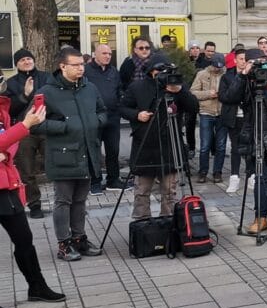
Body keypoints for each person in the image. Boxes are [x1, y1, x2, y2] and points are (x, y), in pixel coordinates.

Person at [32, 48, 108, 260]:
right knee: (63, 201)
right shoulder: (47, 92)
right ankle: (63, 243)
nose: (80, 68)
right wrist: (63, 126)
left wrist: (96, 122)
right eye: (75, 65)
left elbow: (103, 111)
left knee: (80, 200)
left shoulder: (89, 88)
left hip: (87, 152)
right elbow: (33, 125)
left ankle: (79, 238)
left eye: (82, 64)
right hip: (63, 155)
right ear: (62, 66)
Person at [0, 97, 65, 308]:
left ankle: (36, 287)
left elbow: (10, 141)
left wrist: (6, 153)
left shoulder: (2, 108)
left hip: (6, 184)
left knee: (24, 239)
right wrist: (25, 125)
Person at [220, 48, 267, 233]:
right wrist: (243, 75)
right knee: (260, 177)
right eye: (254, 62)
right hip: (255, 132)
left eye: (262, 61)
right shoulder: (245, 79)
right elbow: (229, 98)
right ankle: (260, 217)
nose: (260, 66)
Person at [121, 56, 199, 221]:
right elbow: (121, 107)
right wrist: (137, 115)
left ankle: (169, 224)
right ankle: (142, 225)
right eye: (159, 72)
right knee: (142, 191)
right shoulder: (137, 87)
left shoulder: (176, 86)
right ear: (151, 72)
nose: (163, 75)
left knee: (170, 190)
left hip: (170, 145)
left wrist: (180, 90)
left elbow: (193, 107)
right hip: (145, 144)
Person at [5, 49, 54, 218]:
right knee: (27, 170)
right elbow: (8, 111)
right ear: (16, 64)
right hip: (24, 132)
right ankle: (34, 205)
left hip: (47, 128)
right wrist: (25, 95)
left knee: (56, 165)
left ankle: (63, 201)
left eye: (29, 58)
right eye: (22, 60)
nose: (26, 61)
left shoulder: (47, 77)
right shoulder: (10, 84)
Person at [85, 44, 123, 194]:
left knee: (113, 150)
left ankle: (113, 180)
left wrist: (119, 103)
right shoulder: (86, 71)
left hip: (113, 117)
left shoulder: (114, 71)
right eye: (104, 53)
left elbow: (119, 89)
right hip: (94, 117)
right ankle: (94, 181)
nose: (107, 56)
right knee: (94, 151)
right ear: (95, 54)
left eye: (109, 54)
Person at [190, 54, 228, 183]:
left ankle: (217, 172)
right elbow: (193, 92)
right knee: (205, 145)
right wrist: (208, 94)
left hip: (222, 113)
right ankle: (203, 172)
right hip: (206, 112)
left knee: (221, 145)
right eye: (216, 67)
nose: (218, 69)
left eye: (220, 67)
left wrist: (222, 95)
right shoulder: (202, 74)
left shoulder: (226, 74)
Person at [220, 48, 247, 193]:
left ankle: (252, 175)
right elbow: (223, 97)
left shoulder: (252, 75)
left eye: (245, 59)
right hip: (233, 117)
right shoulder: (227, 77)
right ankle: (234, 177)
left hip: (248, 117)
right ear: (235, 60)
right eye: (241, 59)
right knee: (236, 148)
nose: (244, 62)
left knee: (250, 147)